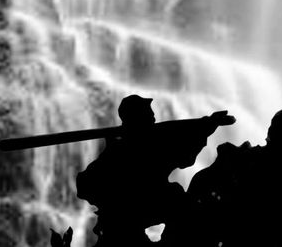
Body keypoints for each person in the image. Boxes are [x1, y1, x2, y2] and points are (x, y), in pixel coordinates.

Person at [76, 95, 235, 245]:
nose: (153, 118)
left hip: (144, 205)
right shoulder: (128, 148)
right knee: (182, 205)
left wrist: (207, 125)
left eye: (152, 115)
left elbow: (183, 153)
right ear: (138, 118)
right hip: (134, 210)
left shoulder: (129, 146)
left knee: (181, 204)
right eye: (148, 115)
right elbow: (86, 184)